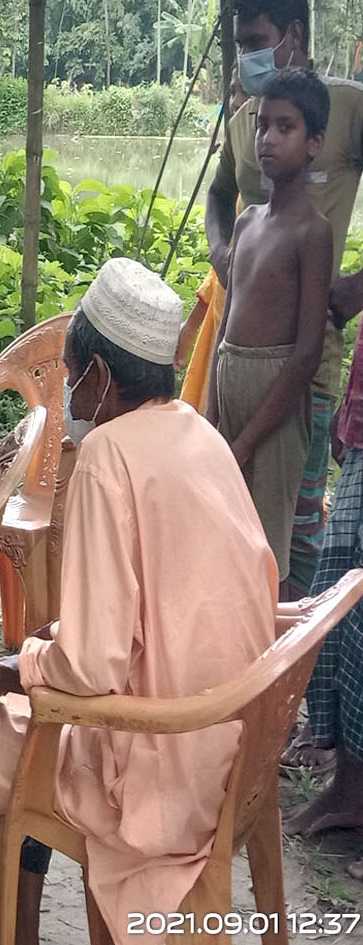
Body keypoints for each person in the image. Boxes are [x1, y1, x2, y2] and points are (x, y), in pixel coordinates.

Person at [0, 258, 277, 945]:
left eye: (72, 373)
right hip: (226, 746)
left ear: (100, 374)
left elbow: (92, 666)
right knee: (23, 707)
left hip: (156, 764)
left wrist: (7, 669)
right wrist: (41, 654)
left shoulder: (105, 455)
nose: (69, 392)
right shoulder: (198, 433)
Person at [208, 0, 363, 600]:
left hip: (300, 376)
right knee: (230, 522)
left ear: (293, 34)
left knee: (291, 531)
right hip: (235, 378)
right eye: (239, 44)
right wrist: (223, 253)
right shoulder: (248, 123)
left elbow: (303, 354)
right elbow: (220, 196)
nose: (268, 137)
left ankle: (290, 642)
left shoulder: (345, 107)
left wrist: (356, 287)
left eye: (256, 41)